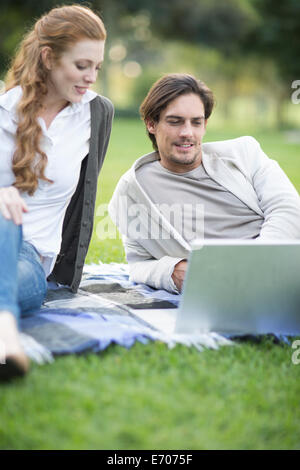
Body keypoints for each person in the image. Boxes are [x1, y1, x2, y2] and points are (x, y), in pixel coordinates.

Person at [0, 4, 114, 381]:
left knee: (14, 271)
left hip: (31, 257)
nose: (91, 77)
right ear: (48, 57)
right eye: (82, 66)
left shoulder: (95, 115)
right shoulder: (3, 111)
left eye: (97, 67)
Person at [109, 73, 300, 294]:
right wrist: (169, 271)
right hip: (221, 288)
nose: (187, 133)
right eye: (175, 121)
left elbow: (289, 209)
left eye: (196, 122)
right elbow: (138, 264)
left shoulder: (246, 153)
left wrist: (256, 266)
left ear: (205, 125)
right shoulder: (133, 190)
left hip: (278, 267)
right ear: (152, 124)